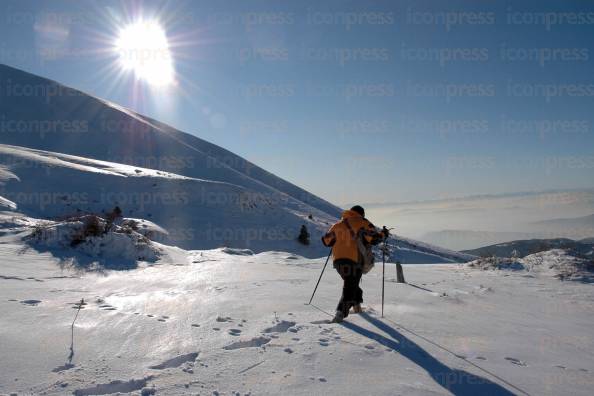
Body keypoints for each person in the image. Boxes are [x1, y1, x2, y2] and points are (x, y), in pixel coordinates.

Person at [321, 205, 389, 323]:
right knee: (350, 286)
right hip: (354, 260)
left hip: (338, 261)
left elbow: (326, 241)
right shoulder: (363, 222)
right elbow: (374, 239)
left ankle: (357, 307)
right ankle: (340, 314)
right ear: (361, 214)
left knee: (352, 283)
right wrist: (384, 234)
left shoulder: (337, 225)